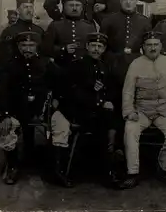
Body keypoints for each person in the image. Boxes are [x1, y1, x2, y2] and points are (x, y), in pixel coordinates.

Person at [50, 32, 122, 187]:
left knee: (113, 123)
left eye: (100, 46)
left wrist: (107, 100)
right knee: (101, 124)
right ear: (87, 47)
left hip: (95, 111)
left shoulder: (104, 67)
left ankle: (108, 171)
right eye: (93, 46)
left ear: (104, 49)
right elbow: (72, 92)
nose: (96, 49)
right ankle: (62, 172)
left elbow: (111, 88)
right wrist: (99, 103)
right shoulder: (76, 65)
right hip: (76, 110)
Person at [118, 31, 166, 190]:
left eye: (156, 44)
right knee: (130, 130)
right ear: (143, 47)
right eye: (149, 45)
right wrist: (129, 111)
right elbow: (127, 91)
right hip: (141, 110)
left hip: (164, 110)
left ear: (161, 46)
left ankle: (162, 167)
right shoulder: (135, 64)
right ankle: (132, 173)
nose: (153, 48)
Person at [0, 31, 61, 185]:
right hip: (18, 111)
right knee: (7, 130)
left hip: (42, 110)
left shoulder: (46, 63)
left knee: (59, 126)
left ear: (37, 46)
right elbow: (1, 92)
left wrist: (57, 99)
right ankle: (12, 165)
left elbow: (61, 82)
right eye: (24, 45)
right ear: (18, 46)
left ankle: (53, 166)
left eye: (31, 45)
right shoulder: (10, 66)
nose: (28, 49)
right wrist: (4, 115)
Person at [99, 0, 152, 84]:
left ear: (136, 1)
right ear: (120, 1)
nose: (128, 2)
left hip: (136, 63)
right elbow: (102, 45)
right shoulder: (109, 20)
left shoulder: (144, 21)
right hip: (113, 64)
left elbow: (148, 46)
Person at [41, 0, 96, 68]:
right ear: (64, 7)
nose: (74, 8)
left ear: (82, 8)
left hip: (84, 69)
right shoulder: (55, 25)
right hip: (61, 67)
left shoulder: (89, 27)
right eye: (71, 5)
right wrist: (63, 49)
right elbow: (45, 49)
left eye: (77, 5)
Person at [0, 0, 45, 73]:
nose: (29, 10)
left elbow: (43, 56)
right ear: (18, 10)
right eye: (25, 7)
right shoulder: (10, 31)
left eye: (31, 7)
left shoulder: (39, 31)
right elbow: (3, 61)